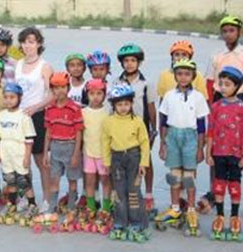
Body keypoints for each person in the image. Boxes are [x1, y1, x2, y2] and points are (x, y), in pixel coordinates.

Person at [202, 15, 243, 219]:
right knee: (217, 150)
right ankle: (213, 191)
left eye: (232, 30)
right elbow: (209, 84)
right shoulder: (216, 56)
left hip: (242, 104)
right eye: (225, 31)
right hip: (219, 104)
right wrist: (211, 110)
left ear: (239, 32)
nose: (228, 34)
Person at [155, 59, 209, 236]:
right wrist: (162, 143)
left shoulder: (198, 97)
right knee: (174, 174)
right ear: (175, 75)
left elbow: (201, 125)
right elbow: (163, 121)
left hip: (190, 137)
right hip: (173, 136)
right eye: (179, 74)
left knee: (189, 175)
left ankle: (191, 209)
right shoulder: (169, 95)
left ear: (193, 76)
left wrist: (201, 147)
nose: (183, 77)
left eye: (187, 74)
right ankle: (175, 207)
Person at [206, 66, 243, 240]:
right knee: (218, 184)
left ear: (237, 86)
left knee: (234, 185)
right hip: (218, 152)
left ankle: (234, 217)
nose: (223, 87)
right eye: (221, 84)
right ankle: (219, 216)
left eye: (227, 84)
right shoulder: (216, 107)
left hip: (236, 154)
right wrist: (208, 152)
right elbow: (210, 131)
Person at [113, 43, 158, 216]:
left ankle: (148, 194)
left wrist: (154, 129)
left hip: (142, 129)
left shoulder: (146, 84)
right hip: (121, 129)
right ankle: (126, 195)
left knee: (145, 161)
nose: (129, 64)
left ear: (139, 62)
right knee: (124, 162)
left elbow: (151, 107)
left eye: (133, 60)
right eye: (126, 61)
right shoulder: (117, 82)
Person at [102, 85, 150, 242]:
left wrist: (143, 163)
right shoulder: (108, 122)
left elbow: (144, 143)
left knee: (133, 191)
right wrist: (107, 162)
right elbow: (105, 142)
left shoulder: (137, 121)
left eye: (126, 104)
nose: (123, 108)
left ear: (131, 104)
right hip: (116, 159)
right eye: (119, 104)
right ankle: (120, 222)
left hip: (133, 157)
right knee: (119, 193)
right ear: (114, 105)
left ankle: (137, 222)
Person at [15, 27, 54, 206]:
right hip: (20, 118)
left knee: (41, 161)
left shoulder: (45, 66)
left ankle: (46, 200)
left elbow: (53, 95)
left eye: (32, 41)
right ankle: (27, 198)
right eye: (24, 42)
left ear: (39, 44)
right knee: (23, 162)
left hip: (38, 117)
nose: (28, 45)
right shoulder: (18, 65)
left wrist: (36, 107)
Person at [41, 72, 83, 219]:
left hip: (70, 147)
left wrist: (76, 154)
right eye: (56, 88)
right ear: (52, 89)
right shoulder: (49, 109)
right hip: (55, 148)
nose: (60, 91)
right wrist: (46, 152)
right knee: (54, 180)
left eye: (63, 87)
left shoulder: (74, 108)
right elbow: (48, 132)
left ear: (68, 88)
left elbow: (78, 132)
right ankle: (52, 208)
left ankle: (71, 207)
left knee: (72, 180)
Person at [0, 83, 38, 223]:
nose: (9, 100)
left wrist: (27, 157)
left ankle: (32, 204)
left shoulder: (24, 116)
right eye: (6, 97)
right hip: (6, 152)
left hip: (19, 152)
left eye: (12, 97)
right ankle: (12, 204)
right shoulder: (1, 115)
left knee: (23, 182)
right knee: (10, 181)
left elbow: (29, 139)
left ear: (19, 98)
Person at [81, 79, 112, 221]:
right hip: (88, 154)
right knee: (89, 182)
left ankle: (105, 208)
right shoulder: (82, 112)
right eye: (92, 93)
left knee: (105, 181)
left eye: (99, 93)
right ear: (87, 95)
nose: (95, 97)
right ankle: (91, 207)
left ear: (105, 95)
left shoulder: (108, 114)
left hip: (103, 155)